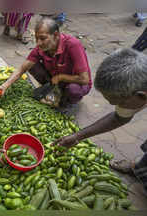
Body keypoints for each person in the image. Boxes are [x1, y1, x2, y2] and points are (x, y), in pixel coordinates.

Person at [53, 48, 147, 195]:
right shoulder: (139, 89)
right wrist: (78, 136)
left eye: (117, 102)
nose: (113, 106)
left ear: (141, 97)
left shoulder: (139, 93)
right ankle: (140, 168)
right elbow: (118, 118)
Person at [0, 17, 91, 107]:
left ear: (56, 35)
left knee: (73, 90)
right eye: (36, 38)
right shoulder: (41, 48)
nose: (38, 43)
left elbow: (84, 79)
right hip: (54, 80)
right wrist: (5, 85)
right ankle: (53, 91)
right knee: (31, 65)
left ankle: (68, 102)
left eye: (42, 38)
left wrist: (61, 77)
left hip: (76, 82)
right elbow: (22, 68)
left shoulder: (72, 45)